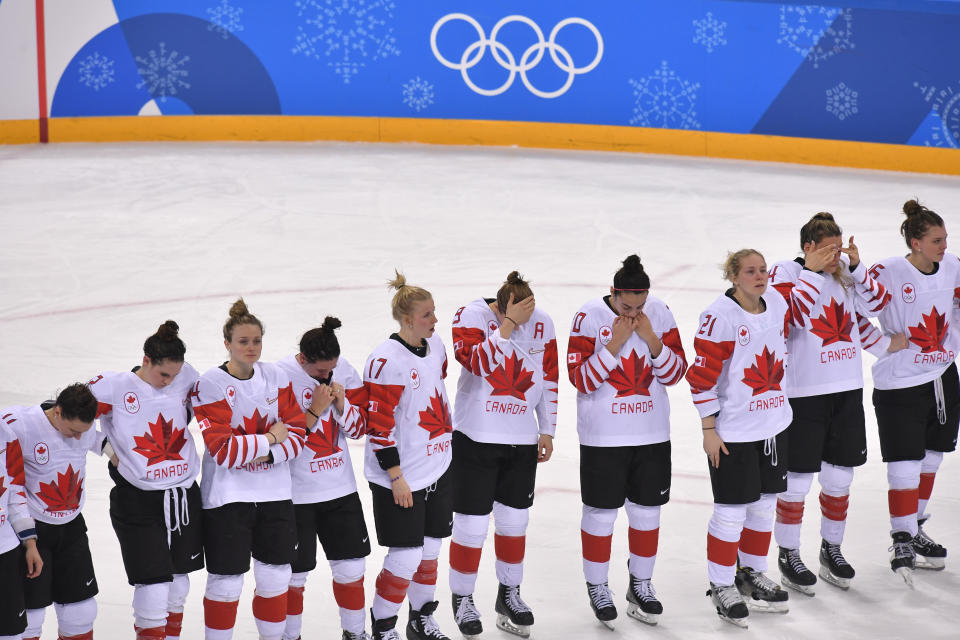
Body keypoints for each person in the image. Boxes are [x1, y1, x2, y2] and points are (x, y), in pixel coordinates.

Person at [685, 247, 832, 627]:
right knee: (731, 511)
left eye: (763, 270)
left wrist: (813, 273)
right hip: (733, 431)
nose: (760, 276)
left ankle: (750, 572)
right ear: (733, 276)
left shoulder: (778, 303)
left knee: (765, 504)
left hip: (773, 426)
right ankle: (721, 584)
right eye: (750, 271)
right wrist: (708, 429)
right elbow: (700, 379)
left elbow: (802, 314)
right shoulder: (719, 316)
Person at [769, 214, 897, 594]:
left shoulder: (845, 271)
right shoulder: (785, 273)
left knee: (840, 477)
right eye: (828, 249)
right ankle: (788, 553)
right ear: (808, 247)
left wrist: (855, 267)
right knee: (796, 481)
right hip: (803, 393)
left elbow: (875, 307)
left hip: (846, 388)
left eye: (839, 248)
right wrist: (812, 272)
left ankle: (832, 548)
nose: (834, 256)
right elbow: (790, 320)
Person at [566, 255, 687, 628]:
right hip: (603, 438)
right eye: (625, 306)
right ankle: (599, 587)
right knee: (601, 515)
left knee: (648, 513)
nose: (633, 313)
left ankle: (642, 584)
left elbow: (676, 373)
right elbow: (581, 380)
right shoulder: (588, 317)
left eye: (639, 306)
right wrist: (615, 344)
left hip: (651, 434)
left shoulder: (660, 314)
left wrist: (651, 338)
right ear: (613, 293)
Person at [191, 299, 318, 640]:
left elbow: (297, 437)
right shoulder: (210, 384)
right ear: (227, 344)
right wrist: (270, 439)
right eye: (243, 341)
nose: (251, 348)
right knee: (226, 584)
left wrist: (264, 452)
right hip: (227, 500)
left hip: (275, 495)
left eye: (256, 341)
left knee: (276, 577)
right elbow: (223, 451)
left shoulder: (274, 376)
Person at [447, 271, 559, 639]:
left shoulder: (542, 324)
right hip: (475, 437)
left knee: (513, 525)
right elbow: (478, 363)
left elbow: (549, 376)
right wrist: (508, 326)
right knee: (471, 527)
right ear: (501, 306)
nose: (529, 315)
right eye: (516, 309)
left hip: (521, 442)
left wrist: (547, 427)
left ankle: (509, 595)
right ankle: (462, 599)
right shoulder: (470, 317)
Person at [863, 200, 960, 584]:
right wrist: (881, 343)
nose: (944, 245)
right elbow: (852, 308)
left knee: (932, 457)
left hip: (942, 378)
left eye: (946, 238)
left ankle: (914, 526)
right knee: (904, 462)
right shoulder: (887, 270)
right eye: (937, 240)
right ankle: (901, 536)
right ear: (916, 243)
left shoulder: (952, 266)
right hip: (900, 384)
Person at [88, 321, 204, 639]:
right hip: (138, 501)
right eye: (163, 375)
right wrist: (104, 447)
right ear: (146, 360)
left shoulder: (187, 376)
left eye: (175, 376)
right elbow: (60, 413)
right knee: (153, 584)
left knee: (178, 583)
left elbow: (200, 410)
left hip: (183, 495)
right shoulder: (113, 387)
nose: (169, 382)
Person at [364, 272, 453, 640]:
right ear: (406, 319)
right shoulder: (386, 361)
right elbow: (378, 428)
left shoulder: (436, 347)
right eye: (428, 314)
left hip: (438, 467)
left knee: (430, 551)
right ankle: (384, 626)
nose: (435, 320)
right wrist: (396, 476)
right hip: (400, 477)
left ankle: (421, 618)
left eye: (434, 312)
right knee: (405, 557)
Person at [276, 317, 372, 640]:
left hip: (340, 491)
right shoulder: (279, 377)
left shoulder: (343, 370)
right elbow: (283, 441)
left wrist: (343, 405)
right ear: (302, 359)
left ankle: (356, 633)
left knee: (351, 570)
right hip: (296, 496)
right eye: (320, 371)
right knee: (293, 575)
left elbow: (360, 430)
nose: (327, 375)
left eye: (331, 368)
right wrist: (315, 411)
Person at [4, 383, 103, 640]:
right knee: (31, 617)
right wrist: (28, 540)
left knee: (81, 613)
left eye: (84, 431)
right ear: (57, 412)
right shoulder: (20, 424)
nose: (79, 437)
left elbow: (103, 443)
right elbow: (11, 483)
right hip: (33, 531)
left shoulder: (82, 428)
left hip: (72, 528)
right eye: (72, 431)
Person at [0, 415, 43, 640]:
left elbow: (15, 492)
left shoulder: (6, 435)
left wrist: (30, 542)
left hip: (5, 548)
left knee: (11, 633)